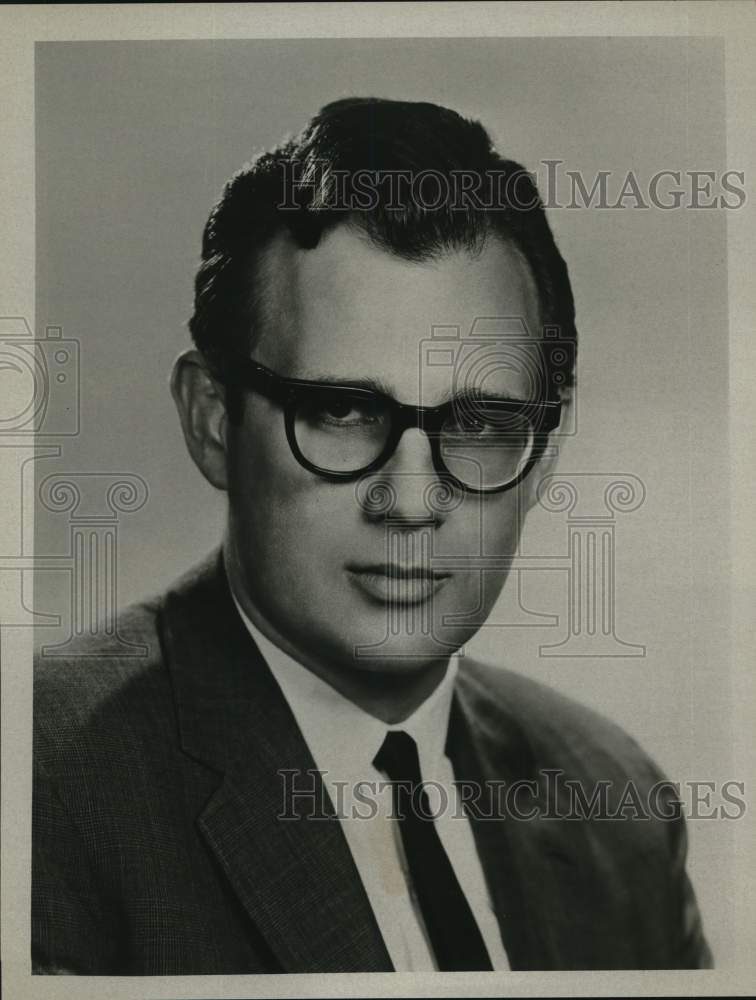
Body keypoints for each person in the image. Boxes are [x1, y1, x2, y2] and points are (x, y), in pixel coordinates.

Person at [32, 97, 711, 974]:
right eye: (343, 409)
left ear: (546, 452)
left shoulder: (618, 804)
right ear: (212, 421)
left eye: (477, 421)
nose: (413, 499)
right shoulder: (39, 782)